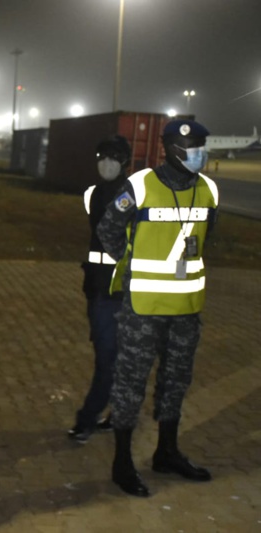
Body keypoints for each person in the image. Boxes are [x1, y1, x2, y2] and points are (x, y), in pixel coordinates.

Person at [98, 119, 218, 497]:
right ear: (170, 148)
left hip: (187, 307)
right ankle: (122, 463)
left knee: (176, 381)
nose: (198, 152)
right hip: (144, 307)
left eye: (201, 145)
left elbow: (206, 235)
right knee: (131, 383)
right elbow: (108, 230)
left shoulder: (210, 189)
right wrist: (132, 266)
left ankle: (167, 452)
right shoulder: (140, 185)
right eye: (191, 146)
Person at [68, 135, 131, 443]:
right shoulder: (94, 193)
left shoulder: (133, 195)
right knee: (109, 358)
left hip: (125, 291)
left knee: (116, 360)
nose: (106, 162)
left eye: (114, 157)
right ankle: (101, 417)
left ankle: (95, 418)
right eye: (102, 156)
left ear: (125, 162)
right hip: (100, 290)